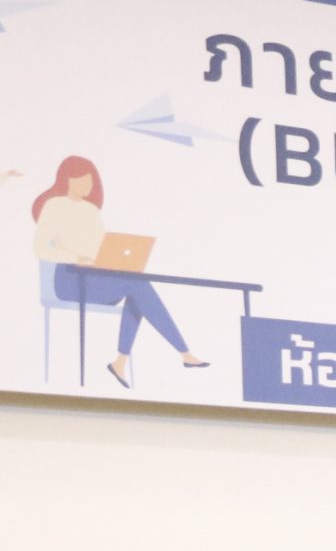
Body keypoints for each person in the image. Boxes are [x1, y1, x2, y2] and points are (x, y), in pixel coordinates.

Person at [29, 155, 211, 387]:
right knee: (138, 286)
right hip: (67, 280)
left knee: (136, 287)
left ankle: (121, 362)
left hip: (95, 278)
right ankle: (183, 353)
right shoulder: (54, 205)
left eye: (91, 180)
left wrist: (111, 259)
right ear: (69, 178)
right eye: (84, 179)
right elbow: (41, 248)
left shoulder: (91, 210)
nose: (89, 185)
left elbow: (101, 247)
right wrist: (76, 258)